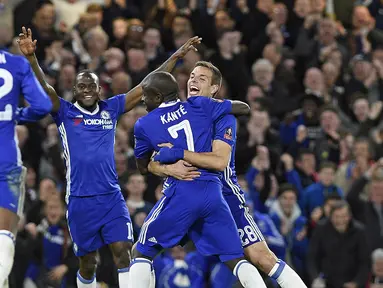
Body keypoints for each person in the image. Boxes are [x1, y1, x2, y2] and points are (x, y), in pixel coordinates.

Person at [17, 26, 201, 288]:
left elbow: (146, 84)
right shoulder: (64, 112)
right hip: (80, 199)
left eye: (92, 84)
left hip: (111, 196)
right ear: (75, 90)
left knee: (123, 251)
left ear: (99, 88)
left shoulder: (111, 108)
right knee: (88, 262)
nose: (87, 89)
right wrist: (32, 58)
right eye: (82, 85)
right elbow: (45, 88)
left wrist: (176, 56)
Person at [151, 61, 308, 288]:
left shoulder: (223, 117)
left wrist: (178, 152)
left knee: (261, 258)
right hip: (185, 196)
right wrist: (165, 167)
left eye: (201, 78)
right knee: (141, 252)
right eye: (192, 76)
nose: (193, 80)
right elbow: (153, 160)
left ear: (214, 89)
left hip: (224, 196)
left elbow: (219, 160)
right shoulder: (174, 116)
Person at [131, 70, 267, 288]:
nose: (142, 100)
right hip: (213, 193)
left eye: (145, 95)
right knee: (236, 259)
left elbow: (142, 167)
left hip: (181, 191)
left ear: (157, 96)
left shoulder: (143, 124)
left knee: (141, 251)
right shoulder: (199, 106)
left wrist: (167, 167)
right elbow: (242, 107)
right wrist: (219, 104)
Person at [0, 46, 52, 287]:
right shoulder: (17, 64)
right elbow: (42, 107)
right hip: (7, 160)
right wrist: (15, 114)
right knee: (4, 238)